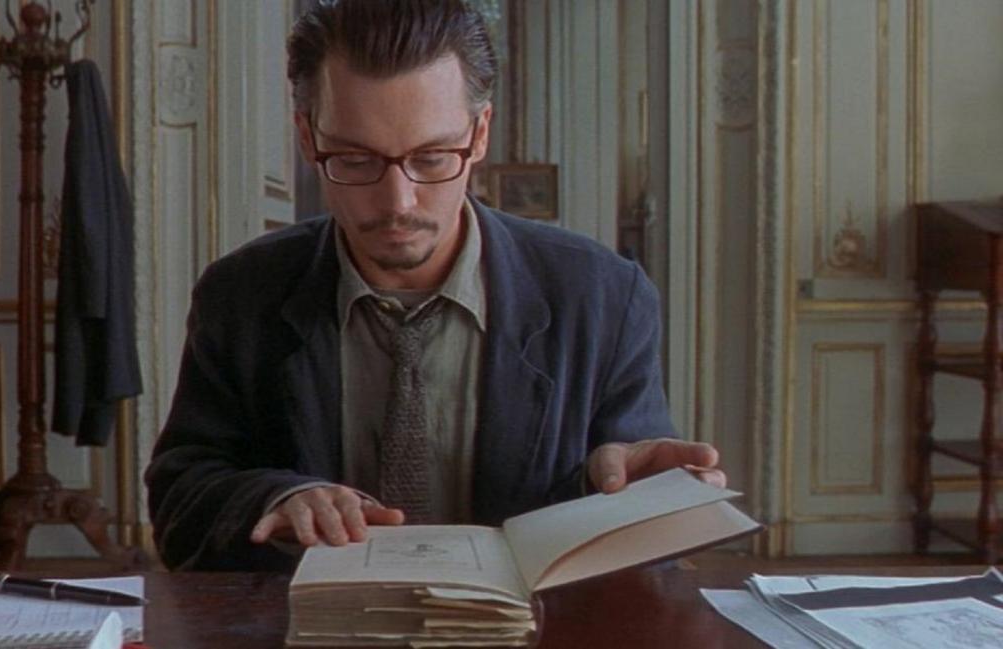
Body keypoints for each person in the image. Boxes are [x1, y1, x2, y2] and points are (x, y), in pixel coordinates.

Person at [144, 0, 725, 572]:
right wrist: (277, 497)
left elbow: (640, 534)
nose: (398, 202)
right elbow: (179, 503)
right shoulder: (240, 294)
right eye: (354, 159)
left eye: (432, 158)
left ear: (479, 133)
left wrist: (638, 499)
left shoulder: (603, 296)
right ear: (306, 137)